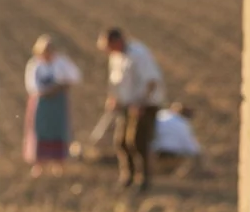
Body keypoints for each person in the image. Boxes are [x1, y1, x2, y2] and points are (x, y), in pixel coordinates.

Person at [98, 27, 165, 192]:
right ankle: (127, 176)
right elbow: (117, 82)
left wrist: (141, 103)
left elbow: (151, 81)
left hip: (145, 105)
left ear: (117, 41)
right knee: (121, 142)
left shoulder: (139, 54)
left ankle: (144, 179)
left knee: (138, 142)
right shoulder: (116, 57)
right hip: (126, 105)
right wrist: (113, 98)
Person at [23, 34, 82, 178]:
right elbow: (32, 86)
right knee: (40, 130)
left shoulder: (61, 62)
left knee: (58, 130)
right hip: (41, 102)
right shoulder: (35, 64)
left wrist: (61, 86)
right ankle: (39, 164)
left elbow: (75, 76)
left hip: (58, 102)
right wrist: (49, 90)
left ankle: (59, 164)